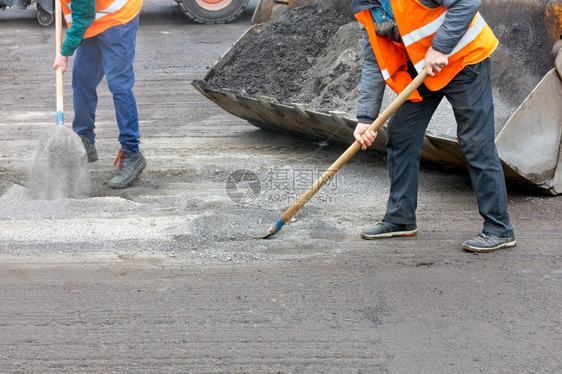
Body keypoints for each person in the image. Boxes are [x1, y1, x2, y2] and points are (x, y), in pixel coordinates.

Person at [351, 0, 516, 252]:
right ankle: (400, 218)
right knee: (401, 135)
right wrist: (365, 119)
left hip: (464, 60)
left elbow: (467, 2)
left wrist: (440, 47)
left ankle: (499, 228)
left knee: (476, 142)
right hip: (423, 69)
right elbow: (375, 60)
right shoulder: (364, 5)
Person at [52, 0, 145, 189]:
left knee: (119, 84)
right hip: (92, 21)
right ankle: (85, 139)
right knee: (82, 80)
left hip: (118, 17)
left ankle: (132, 151)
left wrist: (64, 53)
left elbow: (83, 15)